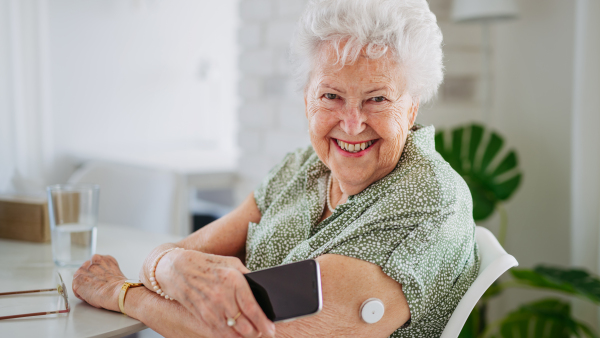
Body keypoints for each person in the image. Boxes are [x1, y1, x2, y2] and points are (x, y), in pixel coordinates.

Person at [72, 0, 480, 337]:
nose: (352, 123)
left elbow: (262, 333)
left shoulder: (429, 203)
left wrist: (123, 294)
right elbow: (181, 256)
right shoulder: (302, 167)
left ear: (411, 109)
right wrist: (171, 266)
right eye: (332, 96)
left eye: (377, 99)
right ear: (307, 99)